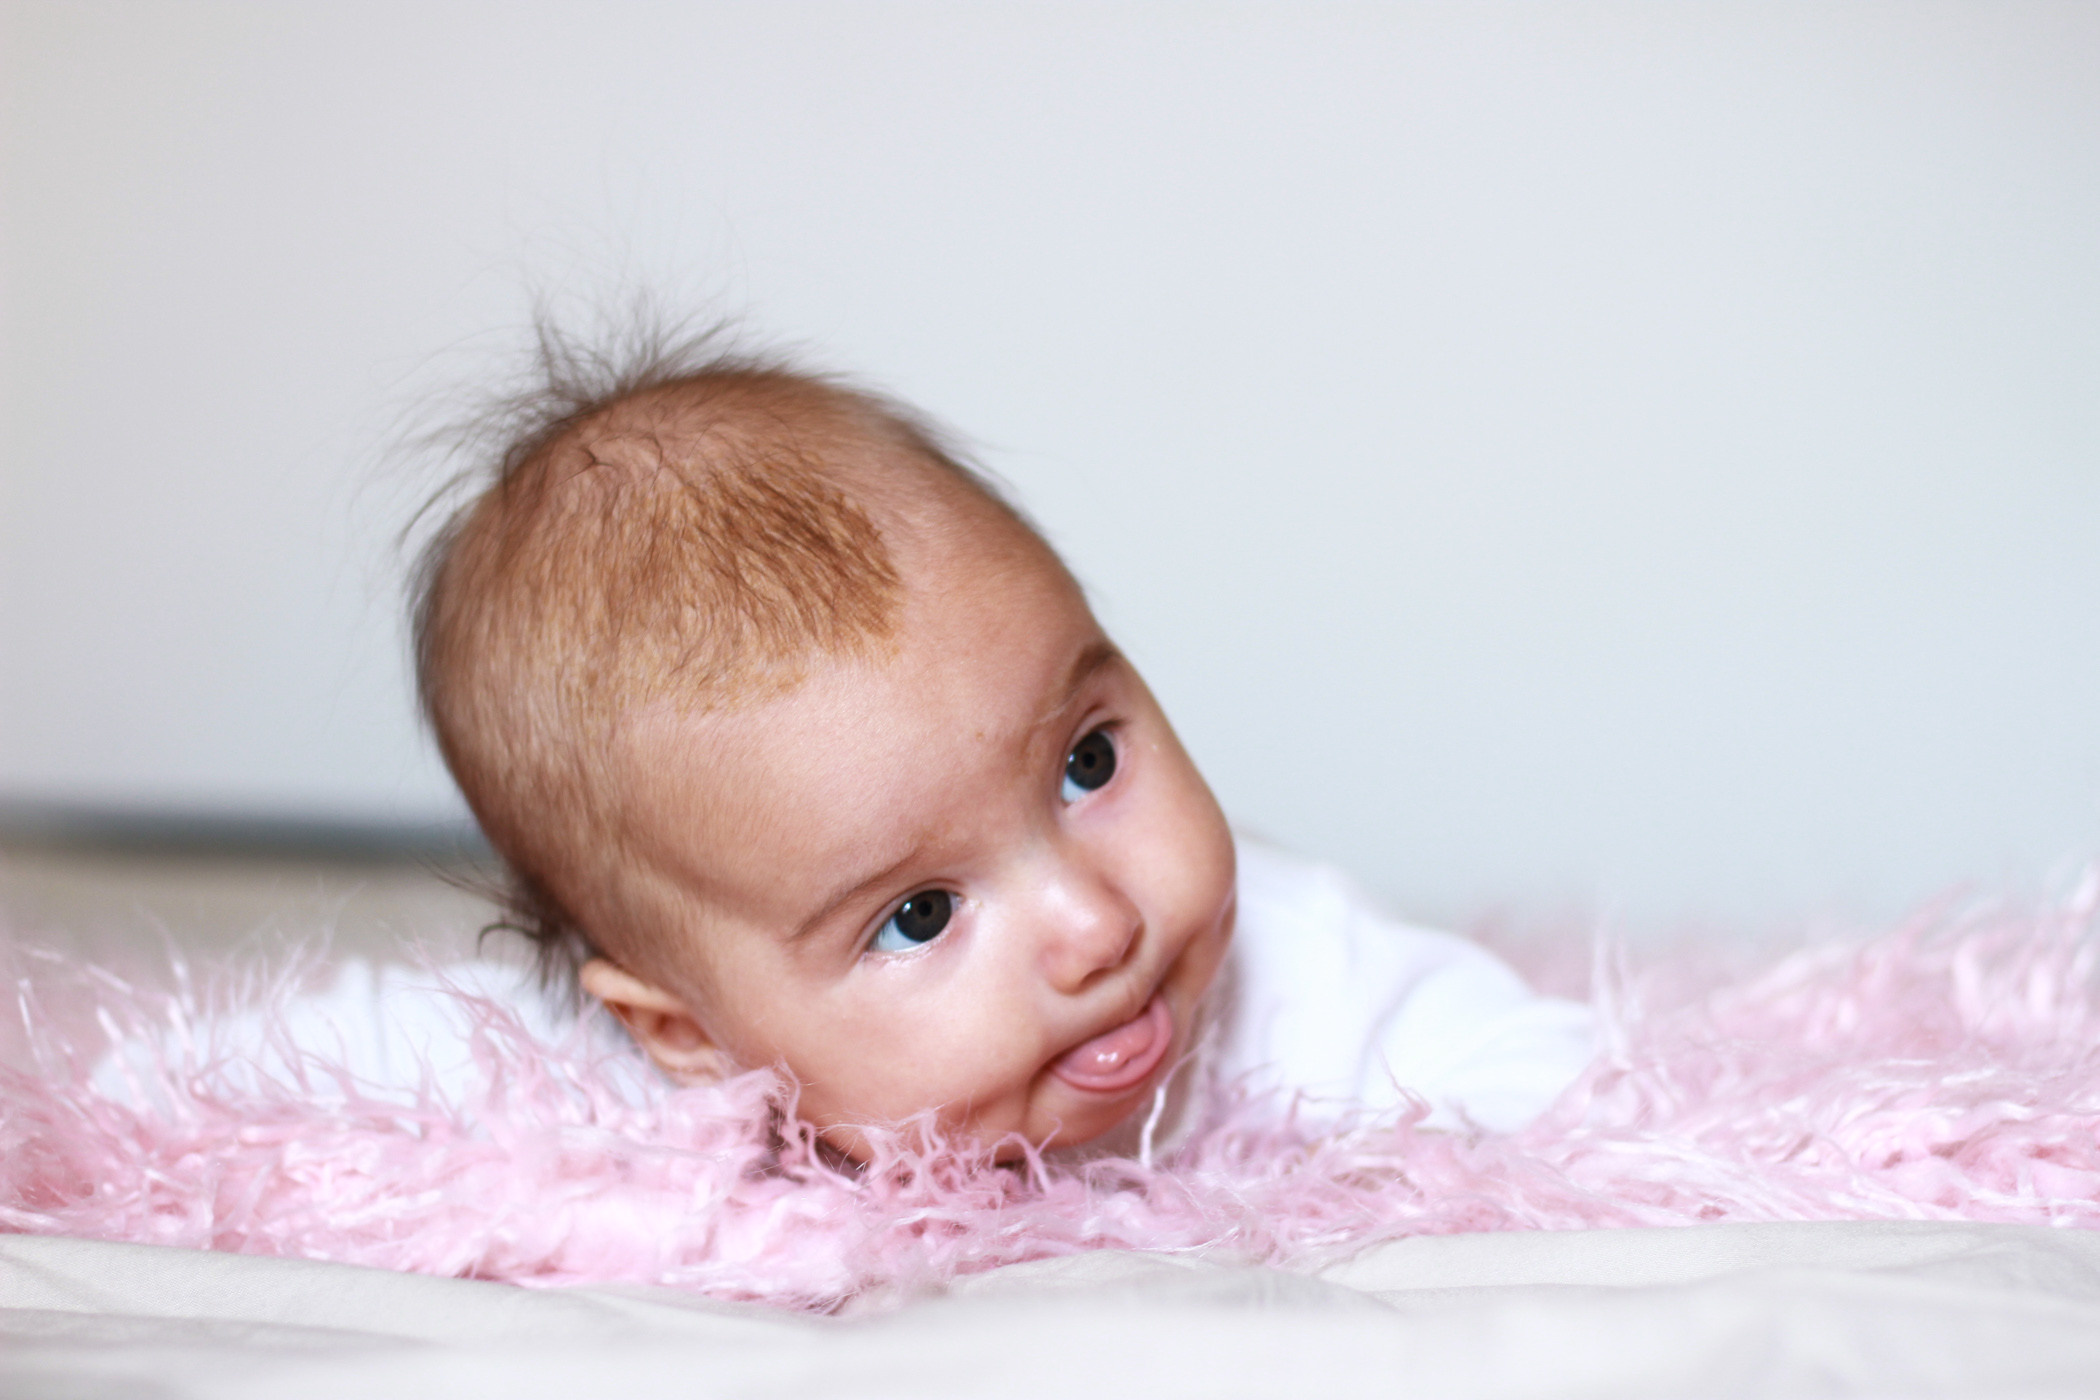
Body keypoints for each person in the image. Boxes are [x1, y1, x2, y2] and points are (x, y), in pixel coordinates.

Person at [404, 326, 1591, 1161]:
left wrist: (1378, 1208)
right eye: (919, 914)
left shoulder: (1302, 978)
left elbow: (1568, 1097)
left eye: (1087, 763)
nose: (1098, 927)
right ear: (685, 1033)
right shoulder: (582, 1085)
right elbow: (336, 1053)